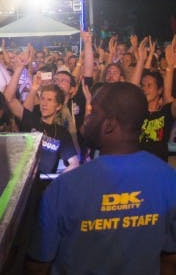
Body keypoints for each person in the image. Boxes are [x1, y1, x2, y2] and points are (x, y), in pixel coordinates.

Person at [26, 82, 176, 274]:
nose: (87, 119)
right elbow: (170, 261)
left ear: (110, 124)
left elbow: (38, 265)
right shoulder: (170, 179)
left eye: (94, 113)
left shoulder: (65, 187)